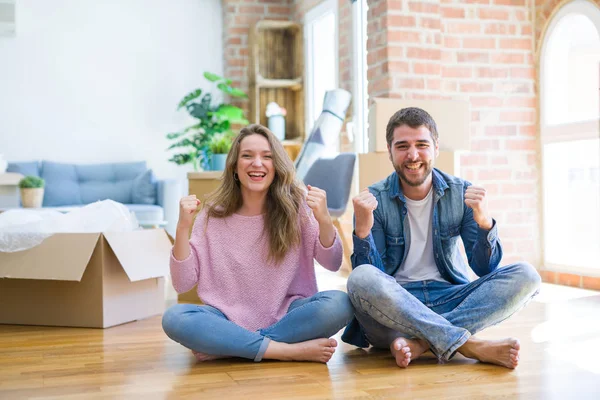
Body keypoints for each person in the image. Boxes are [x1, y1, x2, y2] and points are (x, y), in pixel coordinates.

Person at [341, 107, 541, 369]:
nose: (412, 155)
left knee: (527, 275)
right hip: (395, 308)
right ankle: (468, 344)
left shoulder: (462, 193)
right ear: (390, 151)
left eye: (421, 145)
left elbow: (484, 269)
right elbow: (372, 279)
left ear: (435, 147)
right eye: (402, 146)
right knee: (360, 278)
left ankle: (422, 342)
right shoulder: (372, 200)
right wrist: (363, 232)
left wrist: (485, 223)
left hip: (449, 298)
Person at [162, 124, 354, 363]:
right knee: (175, 317)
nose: (257, 163)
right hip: (224, 318)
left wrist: (324, 219)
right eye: (247, 156)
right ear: (234, 166)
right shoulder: (211, 214)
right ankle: (285, 351)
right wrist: (182, 228)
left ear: (277, 166)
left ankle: (232, 346)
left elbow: (333, 263)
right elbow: (182, 283)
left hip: (287, 315)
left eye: (267, 157)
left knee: (340, 303)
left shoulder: (297, 208)